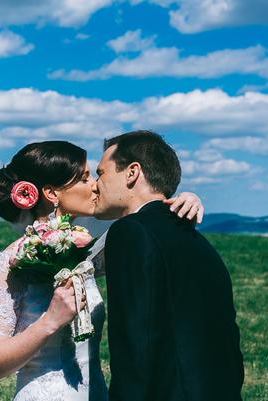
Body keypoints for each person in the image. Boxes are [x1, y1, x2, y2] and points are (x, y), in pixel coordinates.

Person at [0, 140, 204, 401]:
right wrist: (50, 322)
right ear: (52, 193)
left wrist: (177, 207)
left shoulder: (85, 254)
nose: (95, 185)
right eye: (84, 178)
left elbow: (144, 246)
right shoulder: (10, 265)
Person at [91, 130, 244, 401]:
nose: (95, 185)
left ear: (132, 172)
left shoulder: (131, 232)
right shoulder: (199, 241)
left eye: (101, 173)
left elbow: (134, 341)